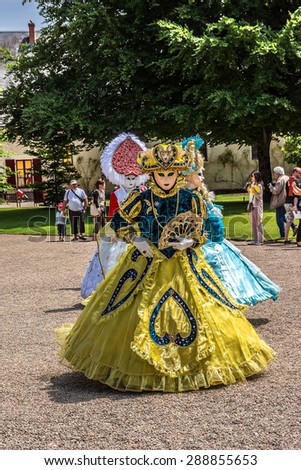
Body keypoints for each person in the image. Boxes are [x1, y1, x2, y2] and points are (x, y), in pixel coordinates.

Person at [57, 143, 274, 393]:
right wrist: (136, 240)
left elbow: (206, 231)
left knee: (206, 304)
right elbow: (118, 223)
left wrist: (191, 241)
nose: (166, 179)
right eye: (161, 174)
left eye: (171, 174)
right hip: (146, 262)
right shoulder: (141, 198)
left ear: (179, 173)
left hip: (185, 263)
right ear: (151, 175)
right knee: (126, 305)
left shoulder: (191, 199)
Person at [181, 137, 280, 306]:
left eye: (202, 173)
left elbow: (213, 222)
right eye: (199, 174)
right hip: (191, 243)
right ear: (188, 176)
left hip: (207, 241)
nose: (202, 178)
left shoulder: (200, 196)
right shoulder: (183, 198)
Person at [80, 133, 149, 299]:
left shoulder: (144, 192)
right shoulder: (117, 194)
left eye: (133, 177)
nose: (131, 181)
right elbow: (113, 215)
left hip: (140, 232)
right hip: (119, 232)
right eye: (127, 177)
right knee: (113, 259)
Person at [268, 166, 296, 240]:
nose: (274, 174)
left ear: (278, 173)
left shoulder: (280, 180)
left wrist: (271, 187)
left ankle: (283, 235)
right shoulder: (287, 177)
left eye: (274, 173)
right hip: (288, 200)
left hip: (280, 201)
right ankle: (294, 226)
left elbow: (276, 191)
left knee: (279, 219)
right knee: (285, 217)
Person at [283, 167, 301, 244]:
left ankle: (286, 238)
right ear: (295, 172)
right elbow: (295, 194)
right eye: (299, 173)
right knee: (294, 221)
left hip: (287, 202)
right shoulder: (295, 180)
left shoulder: (288, 180)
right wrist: (295, 205)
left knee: (289, 220)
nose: (300, 174)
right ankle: (298, 239)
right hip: (292, 202)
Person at [247, 171, 264, 245]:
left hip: (257, 205)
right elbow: (251, 195)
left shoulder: (259, 186)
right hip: (251, 205)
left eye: (252, 176)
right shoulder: (252, 184)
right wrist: (249, 190)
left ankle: (260, 240)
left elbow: (259, 197)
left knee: (258, 222)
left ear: (256, 177)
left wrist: (253, 190)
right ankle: (255, 239)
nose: (251, 177)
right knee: (253, 223)